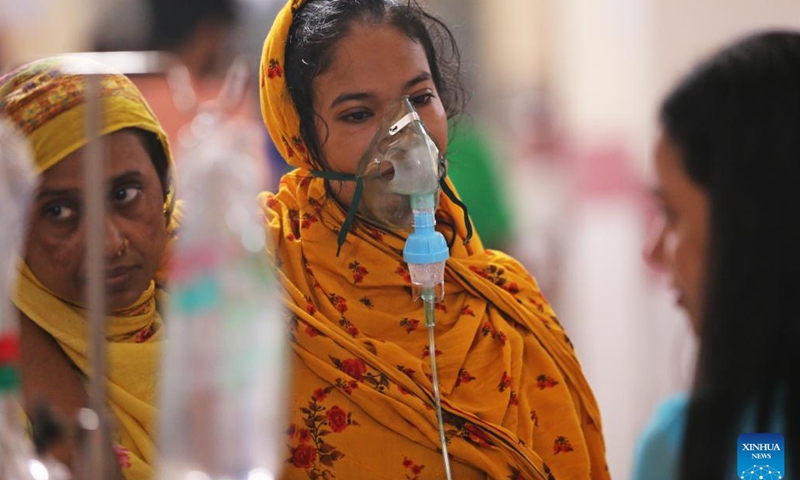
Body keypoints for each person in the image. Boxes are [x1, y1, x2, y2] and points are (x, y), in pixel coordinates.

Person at [259, 1, 609, 478]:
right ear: (301, 136)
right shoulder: (263, 281)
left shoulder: (512, 306)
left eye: (420, 98)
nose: (407, 138)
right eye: (359, 114)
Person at [0, 56, 177, 479]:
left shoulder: (221, 304)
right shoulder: (11, 397)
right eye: (59, 211)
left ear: (165, 189)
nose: (109, 243)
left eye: (126, 193)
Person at [634, 31, 800, 479]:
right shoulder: (755, 447)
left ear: (753, 223)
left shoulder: (692, 449)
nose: (652, 250)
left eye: (671, 213)